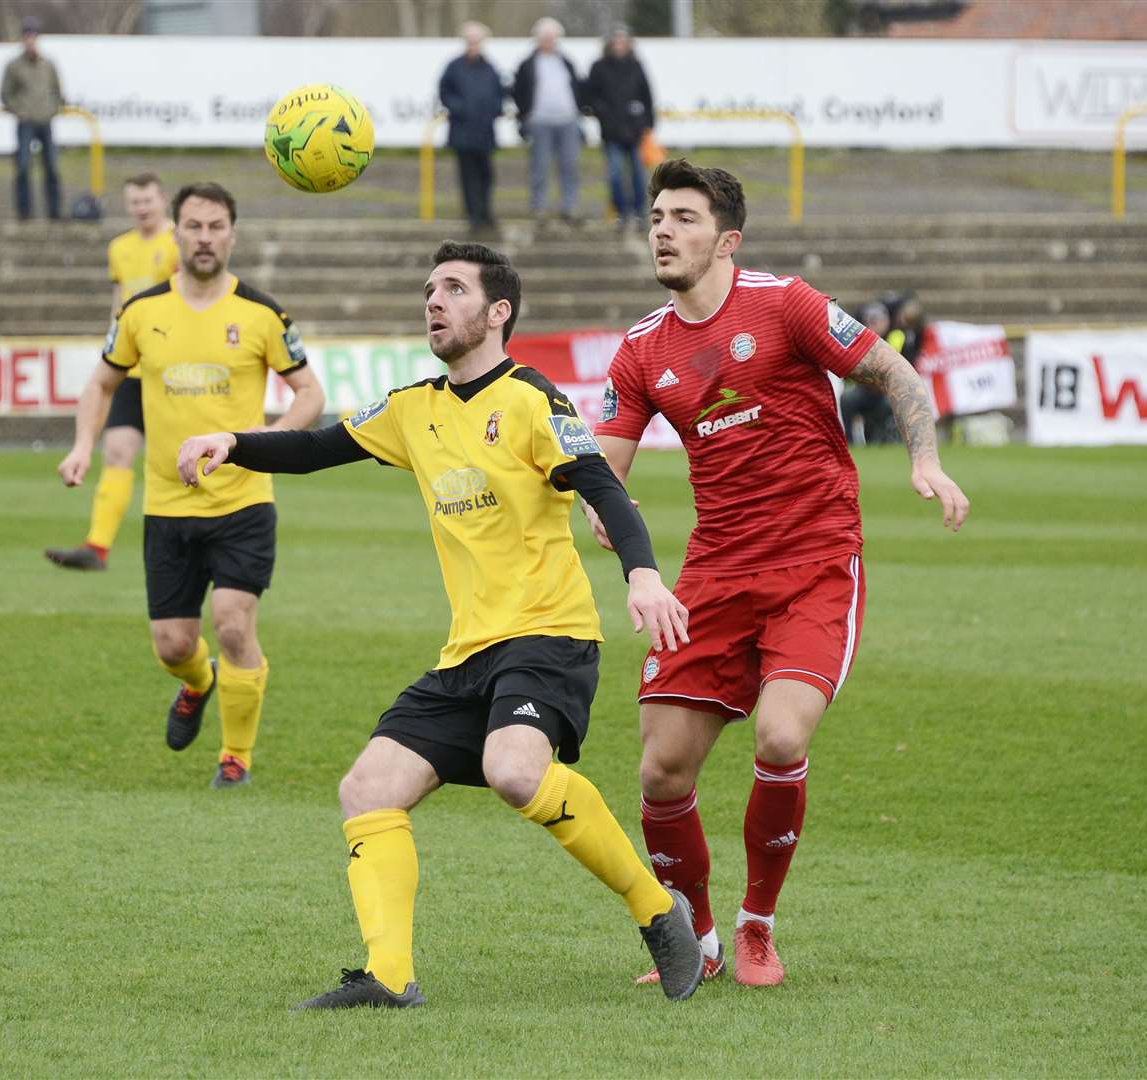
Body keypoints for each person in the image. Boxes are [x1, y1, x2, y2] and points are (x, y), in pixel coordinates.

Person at [176, 241, 704, 1010]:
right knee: (367, 788)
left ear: (498, 313)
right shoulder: (411, 408)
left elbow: (600, 485)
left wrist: (644, 573)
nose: (433, 300)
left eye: (453, 289)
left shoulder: (533, 400)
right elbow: (317, 447)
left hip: (549, 633)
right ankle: (388, 976)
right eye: (428, 288)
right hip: (469, 650)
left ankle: (660, 913)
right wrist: (234, 442)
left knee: (514, 769)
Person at [588, 159, 969, 988]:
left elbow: (895, 373)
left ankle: (758, 925)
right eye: (657, 216)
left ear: (726, 240)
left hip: (813, 561)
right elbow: (604, 472)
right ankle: (701, 937)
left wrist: (926, 459)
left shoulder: (785, 303)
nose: (663, 230)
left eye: (683, 218)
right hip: (716, 573)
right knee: (661, 769)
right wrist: (603, 514)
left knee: (781, 734)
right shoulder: (642, 347)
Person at [56, 181, 325, 788]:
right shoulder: (140, 311)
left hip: (243, 500)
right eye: (195, 226)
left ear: (232, 233)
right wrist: (81, 446)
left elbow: (310, 393)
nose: (205, 238)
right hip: (168, 506)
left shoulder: (263, 314)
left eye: (216, 227)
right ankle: (197, 682)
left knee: (233, 623)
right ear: (175, 231)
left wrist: (272, 439)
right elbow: (101, 384)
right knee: (174, 645)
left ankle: (235, 758)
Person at [46, 173, 178, 572]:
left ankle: (191, 542)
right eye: (134, 202)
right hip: (131, 368)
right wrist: (113, 346)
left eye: (147, 201)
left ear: (163, 200)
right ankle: (97, 547)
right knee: (118, 451)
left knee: (176, 461)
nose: (141, 209)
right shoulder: (119, 248)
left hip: (171, 370)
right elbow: (119, 302)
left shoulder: (179, 242)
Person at [511, 17, 585, 224]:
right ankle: (539, 207)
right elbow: (518, 91)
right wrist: (526, 115)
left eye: (552, 37)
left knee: (570, 166)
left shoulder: (566, 62)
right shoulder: (527, 64)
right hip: (540, 122)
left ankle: (570, 207)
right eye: (545, 37)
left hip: (568, 121)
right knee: (539, 167)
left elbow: (578, 87)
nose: (549, 41)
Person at [585, 25, 654, 231]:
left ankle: (639, 212)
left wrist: (647, 123)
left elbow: (647, 97)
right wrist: (602, 113)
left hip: (634, 131)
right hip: (611, 131)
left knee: (638, 174)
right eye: (616, 41)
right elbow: (590, 96)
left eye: (624, 41)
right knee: (615, 174)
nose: (620, 45)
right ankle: (621, 213)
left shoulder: (636, 66)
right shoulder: (599, 67)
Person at [437, 21, 504, 232]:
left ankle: (486, 212)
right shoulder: (454, 67)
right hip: (463, 131)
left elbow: (498, 93)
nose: (473, 45)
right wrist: (460, 108)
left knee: (486, 175)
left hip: (484, 131)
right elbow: (444, 92)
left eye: (477, 41)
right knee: (468, 175)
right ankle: (473, 214)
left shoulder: (490, 67)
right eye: (470, 41)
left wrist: (494, 109)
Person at [0, 16, 64, 222]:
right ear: (22, 38)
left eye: (33, 35)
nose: (30, 40)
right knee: (23, 168)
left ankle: (54, 212)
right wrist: (19, 110)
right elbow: (5, 94)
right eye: (27, 35)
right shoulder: (14, 66)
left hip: (45, 121)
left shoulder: (48, 64)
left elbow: (57, 90)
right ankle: (24, 212)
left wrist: (52, 109)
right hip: (25, 122)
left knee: (52, 169)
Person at [840, 300, 894, 445]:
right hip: (863, 389)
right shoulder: (857, 340)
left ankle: (880, 441)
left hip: (885, 392)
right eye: (872, 320)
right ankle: (850, 442)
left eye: (879, 320)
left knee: (887, 405)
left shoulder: (896, 337)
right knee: (846, 399)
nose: (876, 324)